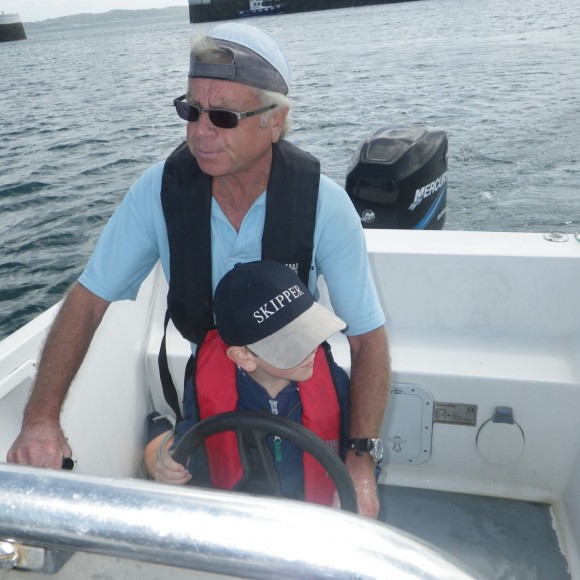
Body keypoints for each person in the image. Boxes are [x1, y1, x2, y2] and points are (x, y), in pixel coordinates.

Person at [7, 22, 389, 518]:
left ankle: (160, 443)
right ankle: (160, 442)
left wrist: (359, 463)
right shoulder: (159, 192)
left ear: (275, 121)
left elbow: (366, 339)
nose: (199, 132)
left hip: (298, 381)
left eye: (224, 117)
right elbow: (88, 300)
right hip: (208, 386)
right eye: (191, 110)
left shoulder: (325, 205)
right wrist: (40, 420)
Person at [147, 260, 353, 506]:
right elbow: (191, 437)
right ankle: (158, 431)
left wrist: (357, 484)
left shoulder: (334, 381)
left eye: (309, 332)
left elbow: (354, 446)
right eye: (292, 344)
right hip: (238, 508)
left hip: (309, 510)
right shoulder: (205, 386)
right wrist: (173, 464)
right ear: (243, 357)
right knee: (156, 467)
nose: (310, 349)